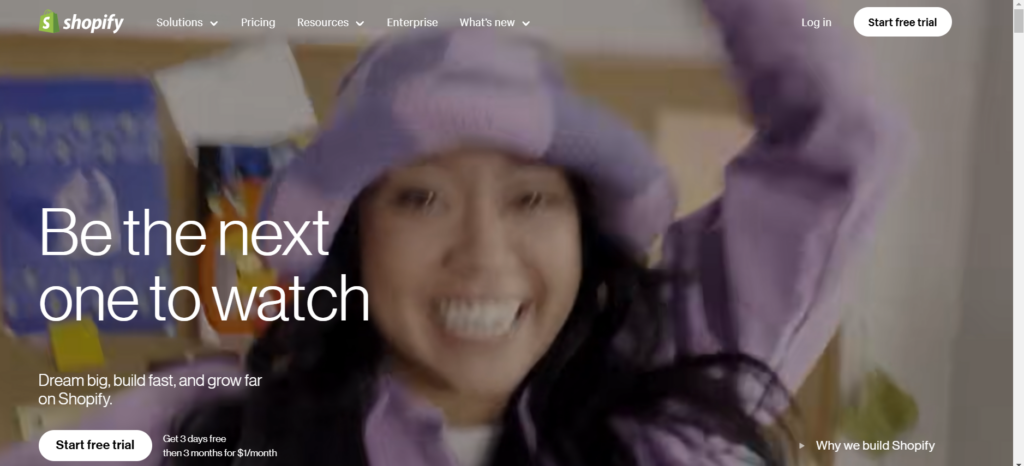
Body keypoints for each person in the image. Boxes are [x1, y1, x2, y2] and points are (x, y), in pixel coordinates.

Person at [0, 0, 904, 464]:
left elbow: (838, 144)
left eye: (531, 200)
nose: (483, 253)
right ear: (354, 241)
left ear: (586, 233)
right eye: (421, 200)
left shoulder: (665, 416)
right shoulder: (205, 428)